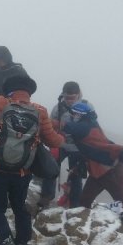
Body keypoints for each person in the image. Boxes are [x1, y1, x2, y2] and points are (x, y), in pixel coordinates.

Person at [0, 76, 64, 245]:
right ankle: (22, 243)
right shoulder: (40, 111)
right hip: (22, 172)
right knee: (20, 207)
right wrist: (63, 138)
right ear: (29, 92)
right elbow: (53, 141)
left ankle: (6, 243)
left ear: (8, 90)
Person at [63, 102, 123, 208]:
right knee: (84, 201)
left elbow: (66, 127)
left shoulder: (85, 126)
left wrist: (43, 119)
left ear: (81, 115)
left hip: (111, 171)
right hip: (98, 172)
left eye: (74, 113)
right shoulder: (91, 124)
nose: (72, 116)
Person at [39, 81, 94, 209]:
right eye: (66, 97)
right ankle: (46, 198)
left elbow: (93, 127)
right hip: (61, 144)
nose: (69, 100)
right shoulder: (58, 108)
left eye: (72, 98)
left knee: (76, 176)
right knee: (50, 168)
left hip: (78, 147)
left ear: (78, 95)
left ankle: (74, 205)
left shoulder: (87, 107)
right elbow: (49, 126)